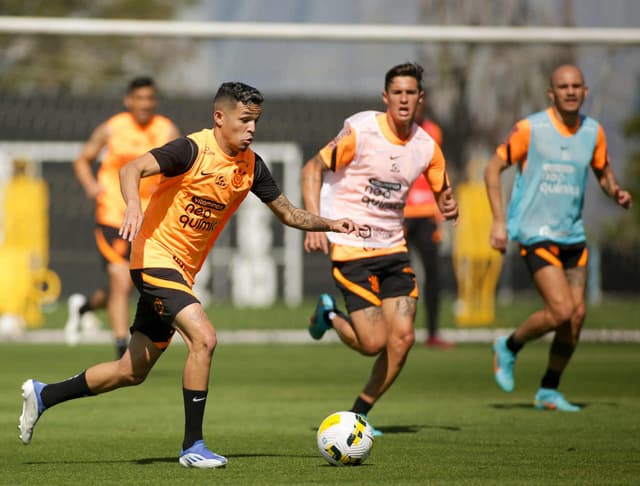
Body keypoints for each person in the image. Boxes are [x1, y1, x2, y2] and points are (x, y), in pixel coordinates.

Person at [19, 82, 362, 468]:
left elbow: (287, 212)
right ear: (220, 118)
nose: (251, 128)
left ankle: (44, 394)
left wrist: (330, 223)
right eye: (244, 120)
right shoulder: (191, 149)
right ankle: (192, 446)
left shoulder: (251, 166)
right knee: (204, 338)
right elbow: (133, 168)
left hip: (180, 272)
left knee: (131, 370)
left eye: (256, 121)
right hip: (153, 259)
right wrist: (133, 205)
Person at [301, 62, 459, 434]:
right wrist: (315, 222)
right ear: (385, 97)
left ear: (421, 98)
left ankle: (358, 416)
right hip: (351, 247)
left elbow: (443, 191)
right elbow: (311, 169)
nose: (404, 100)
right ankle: (329, 315)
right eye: (397, 93)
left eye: (411, 93)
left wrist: (449, 204)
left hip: (392, 249)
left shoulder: (426, 146)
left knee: (403, 339)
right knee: (373, 343)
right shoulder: (362, 130)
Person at [485, 64, 632, 412]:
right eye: (562, 86)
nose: (569, 91)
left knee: (576, 316)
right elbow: (492, 168)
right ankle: (508, 345)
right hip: (536, 234)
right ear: (551, 93)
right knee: (561, 309)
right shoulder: (530, 129)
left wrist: (616, 192)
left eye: (576, 86)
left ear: (585, 91)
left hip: (573, 235)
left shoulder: (593, 132)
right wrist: (498, 221)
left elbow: (603, 172)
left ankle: (548, 390)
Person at [66, 76, 180, 358]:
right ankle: (121, 346)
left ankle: (85, 307)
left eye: (150, 98)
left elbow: (182, 166)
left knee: (131, 284)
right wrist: (92, 187)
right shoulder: (113, 128)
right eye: (139, 98)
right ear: (128, 100)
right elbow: (83, 159)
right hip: (113, 215)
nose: (145, 104)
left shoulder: (166, 130)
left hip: (149, 219)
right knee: (120, 279)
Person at [404, 96, 453, 349]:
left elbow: (438, 172)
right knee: (397, 273)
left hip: (426, 214)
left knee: (434, 274)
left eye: (418, 99)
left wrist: (443, 206)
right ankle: (396, 331)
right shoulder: (390, 132)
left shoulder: (434, 132)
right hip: (400, 213)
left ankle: (432, 332)